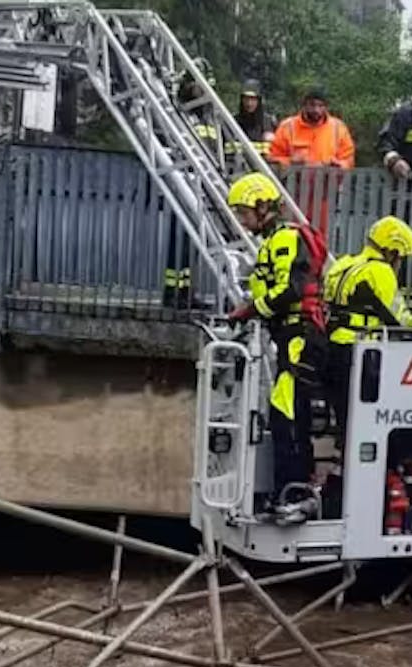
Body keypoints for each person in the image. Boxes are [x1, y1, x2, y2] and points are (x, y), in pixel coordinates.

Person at [225, 173, 328, 523]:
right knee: (286, 413)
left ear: (263, 206)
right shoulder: (275, 240)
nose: (241, 219)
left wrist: (249, 310)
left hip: (300, 334)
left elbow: (290, 291)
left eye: (243, 212)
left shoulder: (285, 239)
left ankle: (297, 492)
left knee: (288, 414)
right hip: (290, 335)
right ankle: (292, 489)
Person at [324, 216, 412, 440]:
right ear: (392, 251)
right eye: (400, 258)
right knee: (364, 423)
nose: (399, 264)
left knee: (344, 421)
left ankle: (342, 467)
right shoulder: (380, 272)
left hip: (333, 348)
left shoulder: (343, 264)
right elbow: (398, 318)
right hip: (360, 354)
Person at [165, 68, 221, 305]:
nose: (203, 93)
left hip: (203, 187)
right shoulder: (179, 114)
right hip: (184, 183)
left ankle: (187, 293)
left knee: (196, 243)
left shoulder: (209, 118)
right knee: (179, 241)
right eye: (198, 87)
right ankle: (172, 293)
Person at [267, 85, 356, 169]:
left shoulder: (338, 127)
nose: (316, 110)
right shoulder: (287, 126)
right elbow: (272, 158)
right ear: (304, 106)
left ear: (326, 107)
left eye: (321, 106)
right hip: (293, 183)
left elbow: (348, 160)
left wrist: (337, 165)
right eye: (312, 105)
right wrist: (291, 161)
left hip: (329, 183)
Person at [226, 80, 277, 159]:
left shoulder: (270, 123)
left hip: (264, 169)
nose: (249, 103)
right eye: (246, 99)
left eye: (253, 99)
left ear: (259, 101)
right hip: (239, 169)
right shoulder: (232, 123)